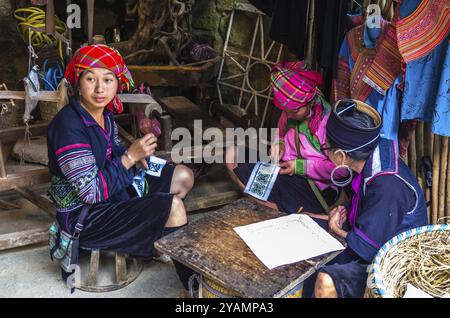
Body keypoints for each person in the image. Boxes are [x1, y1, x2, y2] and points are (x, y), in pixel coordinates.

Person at [46, 44, 195, 294]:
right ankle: (192, 286)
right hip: (86, 216)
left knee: (182, 177)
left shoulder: (105, 115)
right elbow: (90, 193)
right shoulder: (68, 126)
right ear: (77, 82)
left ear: (118, 83)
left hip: (114, 192)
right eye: (90, 79)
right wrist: (128, 157)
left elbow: (112, 150)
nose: (99, 88)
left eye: (108, 79)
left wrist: (137, 157)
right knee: (174, 206)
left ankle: (153, 238)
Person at [303, 99, 428, 298]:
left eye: (326, 148)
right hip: (375, 239)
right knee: (307, 229)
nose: (324, 152)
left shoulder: (387, 186)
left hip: (396, 264)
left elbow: (368, 249)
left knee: (325, 279)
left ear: (342, 156)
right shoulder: (370, 156)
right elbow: (365, 207)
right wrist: (343, 213)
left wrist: (336, 229)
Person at [226, 61, 341, 214]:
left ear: (311, 101)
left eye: (295, 111)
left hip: (316, 186)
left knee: (256, 186)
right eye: (286, 111)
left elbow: (340, 170)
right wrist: (279, 144)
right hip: (284, 168)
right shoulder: (290, 109)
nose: (289, 115)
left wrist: (300, 166)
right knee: (232, 155)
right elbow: (280, 134)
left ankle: (278, 212)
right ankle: (273, 207)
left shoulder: (327, 123)